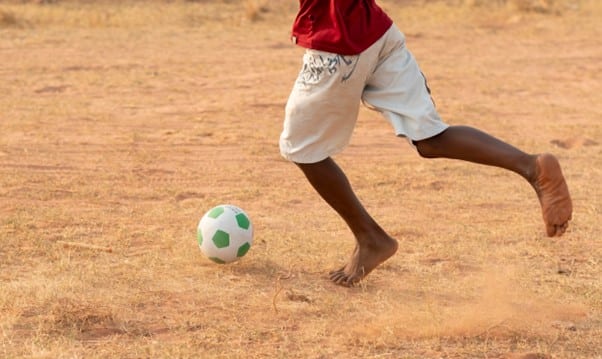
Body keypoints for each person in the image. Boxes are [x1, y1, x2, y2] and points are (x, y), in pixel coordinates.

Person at [279, 0, 572, 287]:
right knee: (429, 138)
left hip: (338, 44)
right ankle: (531, 166)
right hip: (379, 34)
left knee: (303, 149)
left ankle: (370, 237)